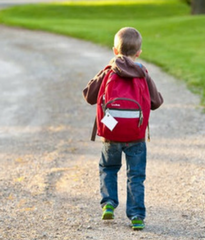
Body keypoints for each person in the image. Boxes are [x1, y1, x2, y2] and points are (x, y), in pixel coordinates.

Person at [82, 27, 163, 230]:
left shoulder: (109, 71)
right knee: (135, 175)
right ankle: (136, 216)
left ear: (114, 51)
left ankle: (108, 203)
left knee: (108, 168)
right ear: (139, 53)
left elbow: (89, 96)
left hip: (111, 134)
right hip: (136, 135)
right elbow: (156, 102)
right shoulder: (142, 72)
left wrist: (105, 70)